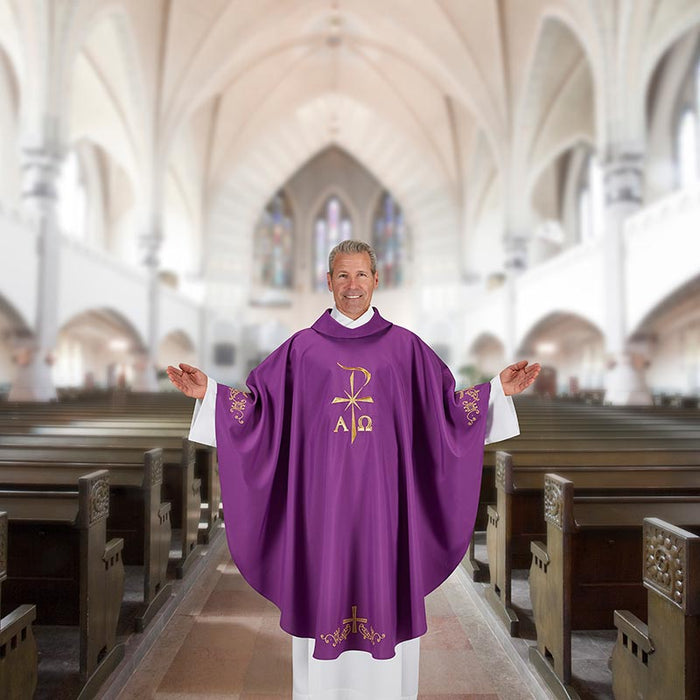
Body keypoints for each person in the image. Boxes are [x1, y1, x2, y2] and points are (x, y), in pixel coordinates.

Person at [167, 239, 540, 700]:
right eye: (342, 275)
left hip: (387, 508)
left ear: (376, 280)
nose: (352, 285)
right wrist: (211, 395)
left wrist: (496, 392)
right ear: (328, 282)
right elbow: (259, 411)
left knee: (385, 595)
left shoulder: (405, 349)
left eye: (361, 274)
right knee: (322, 595)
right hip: (320, 509)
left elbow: (445, 411)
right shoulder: (301, 350)